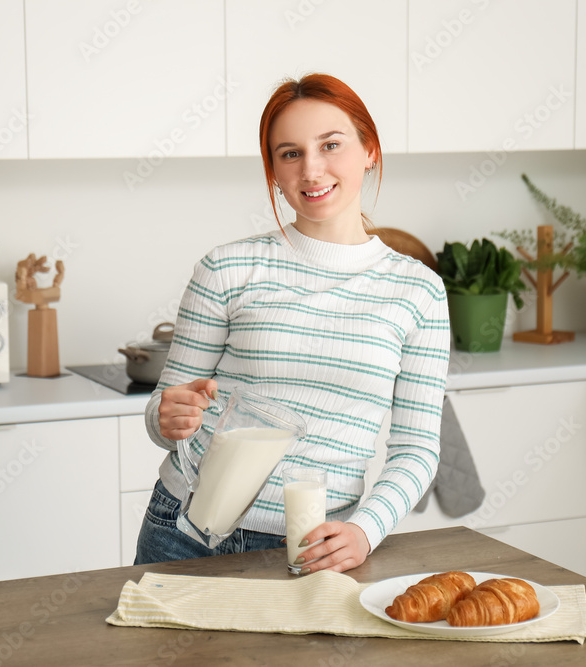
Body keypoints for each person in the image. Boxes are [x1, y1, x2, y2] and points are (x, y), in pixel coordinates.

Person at [134, 73, 450, 573]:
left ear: (369, 149)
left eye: (331, 145)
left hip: (317, 546)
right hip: (186, 533)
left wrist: (365, 531)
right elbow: (164, 412)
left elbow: (416, 450)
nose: (312, 169)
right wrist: (167, 416)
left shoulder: (420, 292)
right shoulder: (227, 269)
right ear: (274, 171)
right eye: (290, 153)